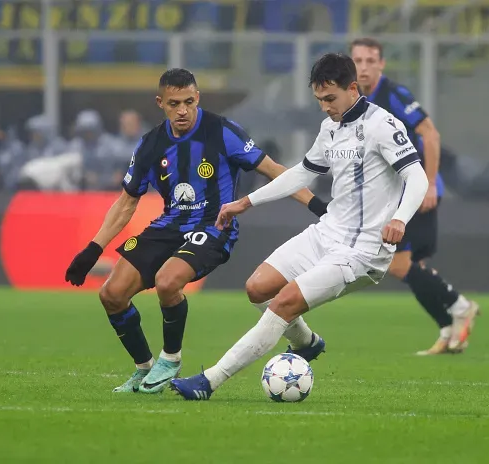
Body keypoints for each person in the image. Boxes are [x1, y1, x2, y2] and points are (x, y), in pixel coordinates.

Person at [170, 52, 429, 400]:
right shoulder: (330, 128)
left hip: (363, 252)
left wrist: (400, 217)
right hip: (327, 232)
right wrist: (247, 201)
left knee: (284, 303)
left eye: (330, 98)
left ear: (353, 88)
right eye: (319, 99)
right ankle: (306, 341)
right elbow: (302, 173)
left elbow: (417, 176)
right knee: (258, 288)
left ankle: (209, 381)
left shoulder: (383, 125)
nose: (325, 107)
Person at [64, 68, 328, 394]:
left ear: (197, 98)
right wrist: (93, 249)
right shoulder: (151, 144)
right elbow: (126, 203)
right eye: (174, 103)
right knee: (111, 294)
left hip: (214, 227)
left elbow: (276, 171)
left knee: (167, 281)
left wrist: (320, 207)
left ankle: (170, 359)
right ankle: (145, 370)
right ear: (160, 103)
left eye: (189, 101)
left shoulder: (221, 131)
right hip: (169, 225)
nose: (183, 110)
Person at [350, 38, 480, 355]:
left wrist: (431, 182)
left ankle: (461, 307)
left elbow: (430, 133)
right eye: (358, 60)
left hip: (415, 190)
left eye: (371, 60)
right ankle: (449, 331)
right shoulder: (354, 101)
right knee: (411, 268)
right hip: (392, 196)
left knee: (398, 265)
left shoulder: (393, 95)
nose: (364, 67)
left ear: (381, 64)